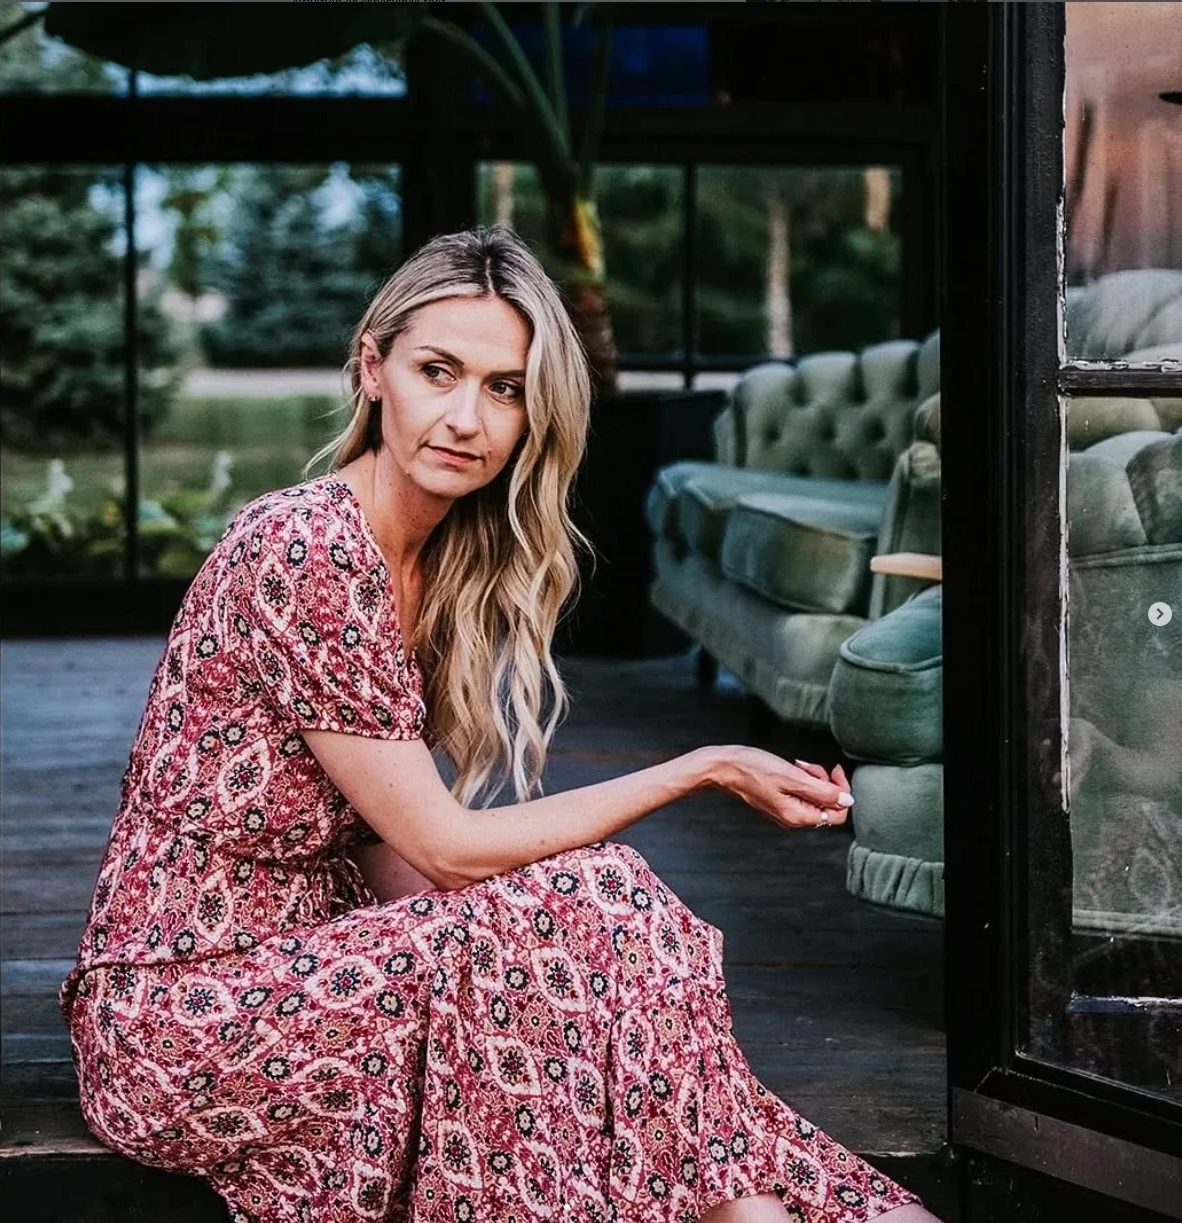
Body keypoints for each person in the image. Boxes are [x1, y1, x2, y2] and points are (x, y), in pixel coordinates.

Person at [59, 226, 940, 1223]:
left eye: (506, 387)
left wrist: (540, 934)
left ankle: (752, 1206)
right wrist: (700, 766)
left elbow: (399, 857)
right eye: (438, 371)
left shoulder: (439, 565)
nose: (466, 416)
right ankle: (753, 1206)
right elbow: (442, 847)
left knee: (582, 931)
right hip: (187, 1025)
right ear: (373, 369)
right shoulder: (305, 547)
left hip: (335, 971)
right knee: (591, 897)